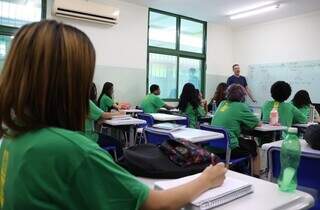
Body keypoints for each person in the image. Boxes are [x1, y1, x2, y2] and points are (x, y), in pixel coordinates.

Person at [0, 20, 226, 210]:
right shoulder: (72, 150)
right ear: (71, 82)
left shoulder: (12, 137)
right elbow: (156, 204)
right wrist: (206, 179)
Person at [211, 84, 261, 177]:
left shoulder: (222, 103)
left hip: (213, 145)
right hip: (229, 148)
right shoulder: (241, 106)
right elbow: (257, 123)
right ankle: (256, 176)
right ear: (242, 96)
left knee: (244, 142)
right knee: (253, 145)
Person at [86, 83, 125, 158]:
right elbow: (104, 114)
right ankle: (119, 164)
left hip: (80, 135)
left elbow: (98, 118)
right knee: (117, 143)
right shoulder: (86, 102)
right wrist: (119, 113)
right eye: (112, 89)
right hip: (88, 136)